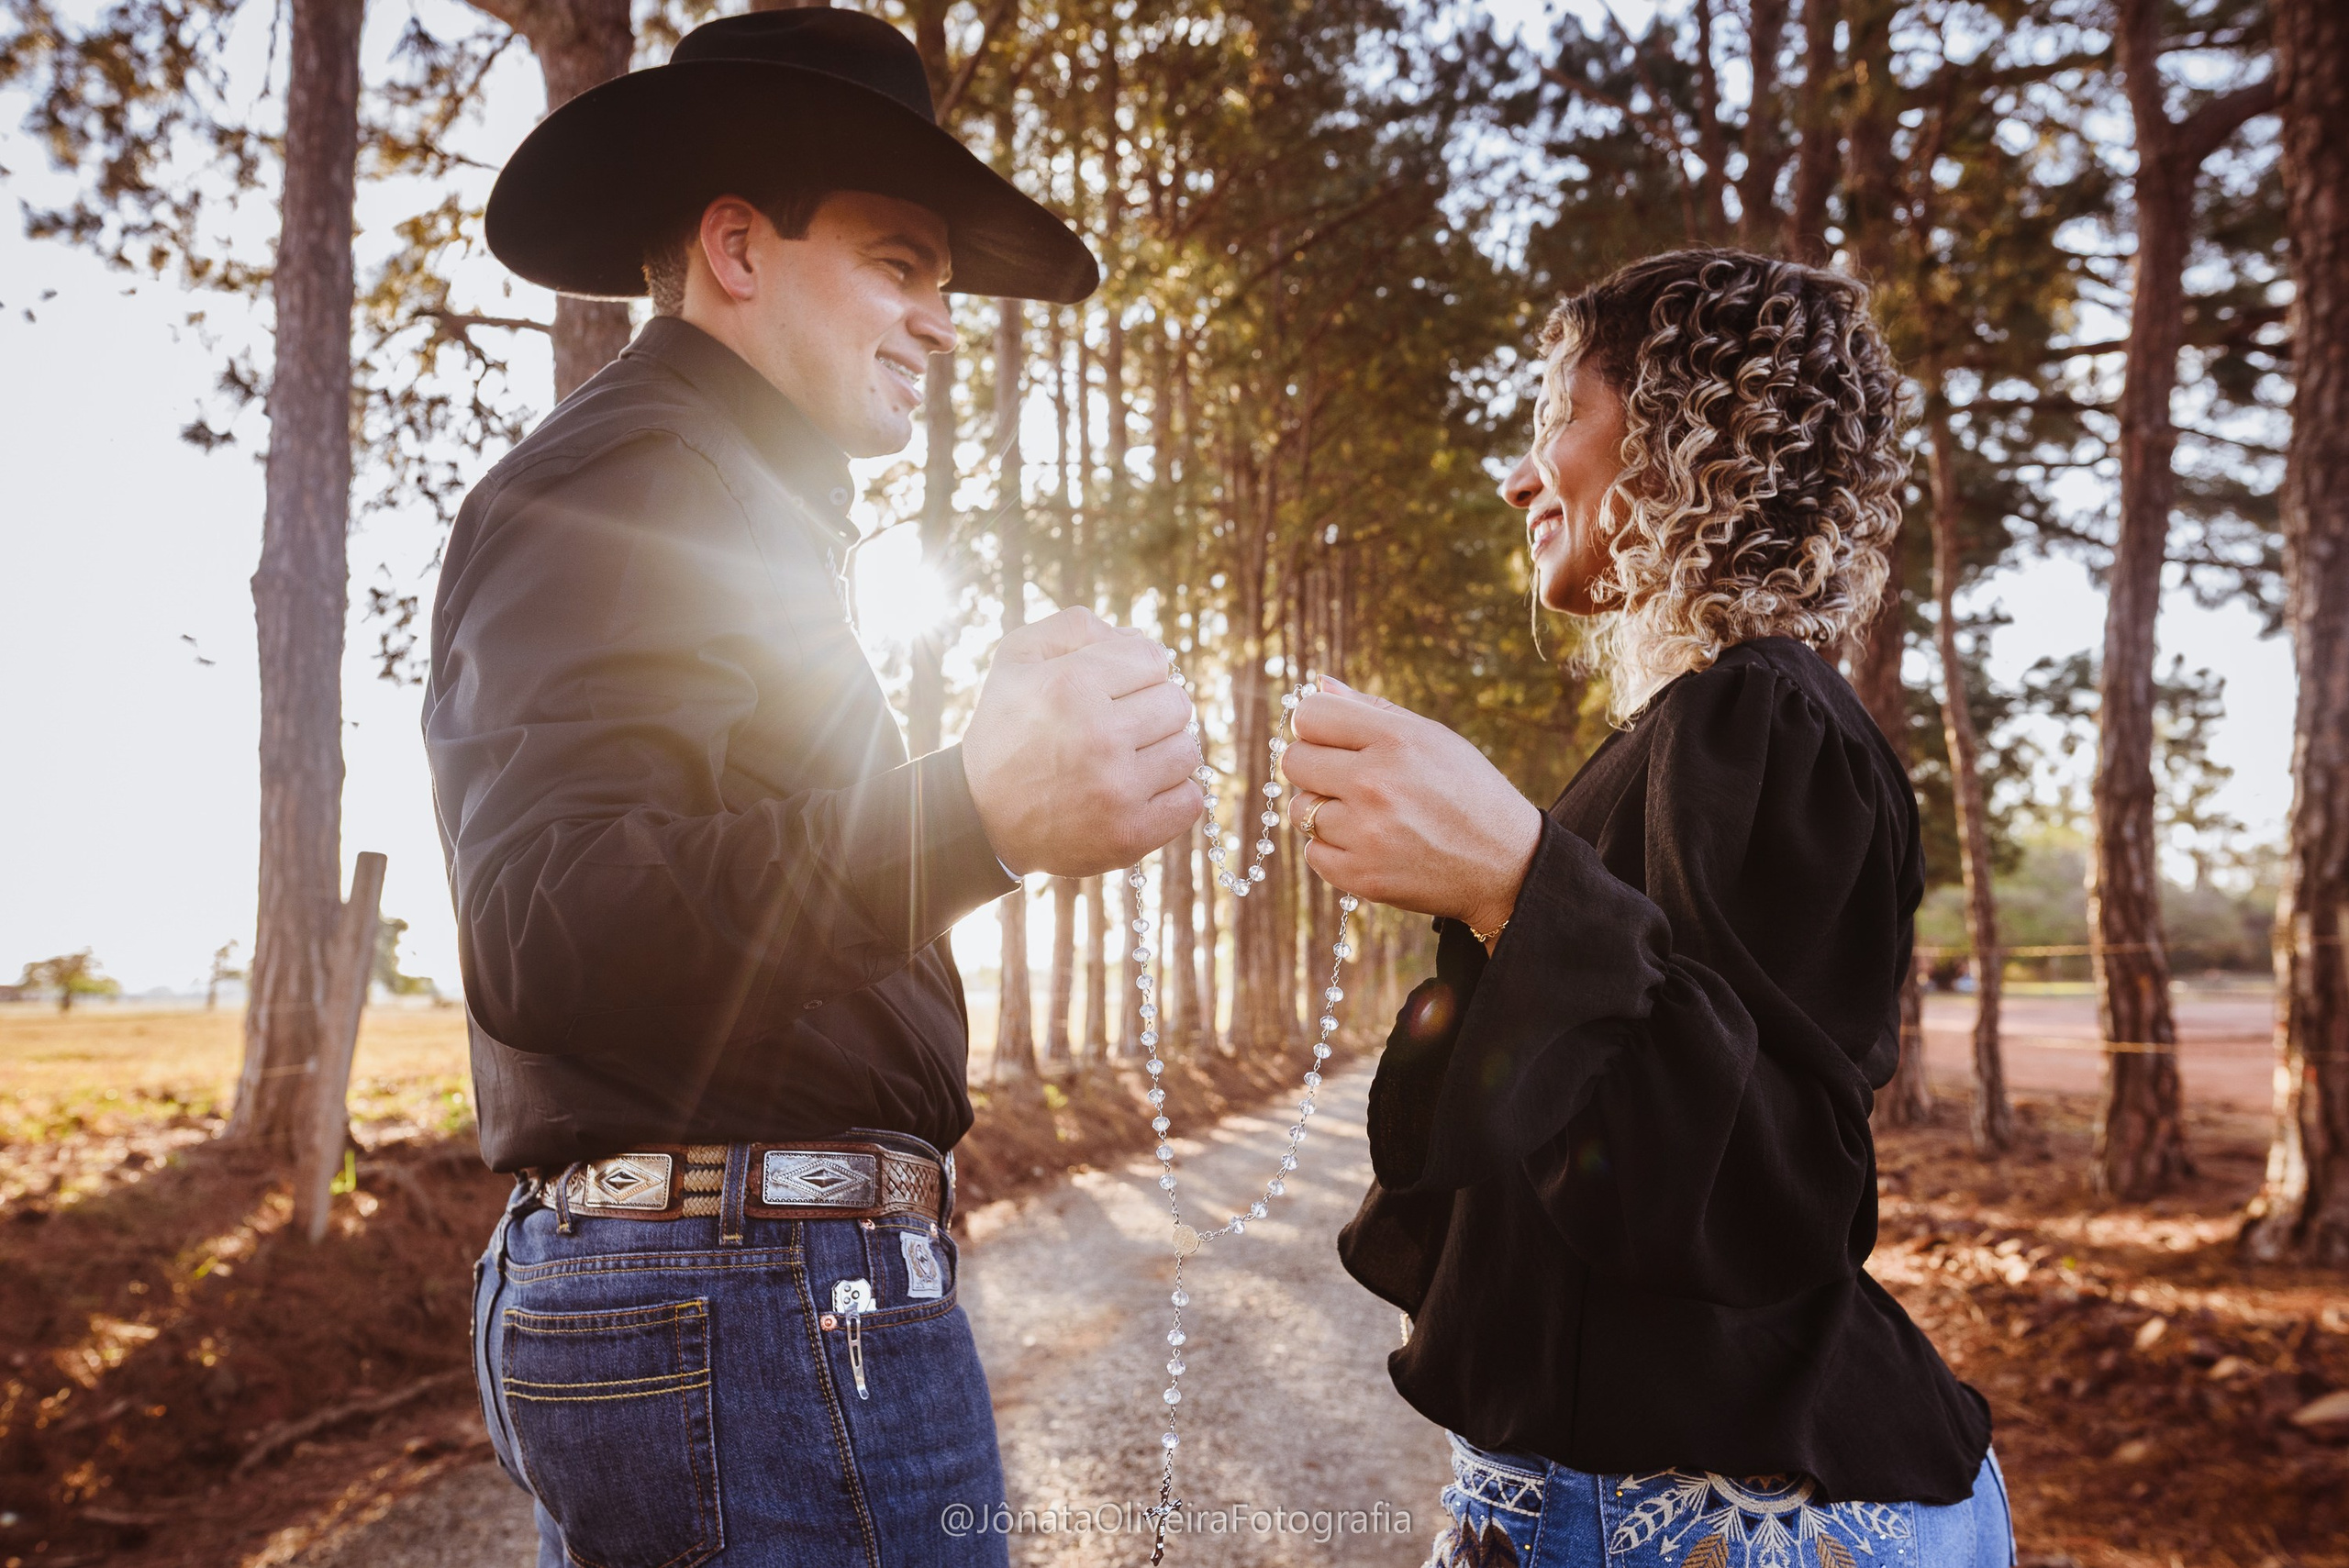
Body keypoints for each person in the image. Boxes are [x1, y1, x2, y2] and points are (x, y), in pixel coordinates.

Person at [428, 13, 1201, 1566]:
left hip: (747, 1284)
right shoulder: (633, 480)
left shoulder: (724, 496)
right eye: (901, 264)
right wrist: (972, 814)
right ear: (737, 247)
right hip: (755, 1292)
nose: (940, 324)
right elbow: (543, 926)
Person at [1278, 250, 2013, 1568]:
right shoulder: (1700, 727)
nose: (1518, 478)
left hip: (1716, 1519)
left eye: (1560, 415)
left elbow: (1767, 1188)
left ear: (1693, 436)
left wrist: (1518, 884)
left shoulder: (1763, 718)